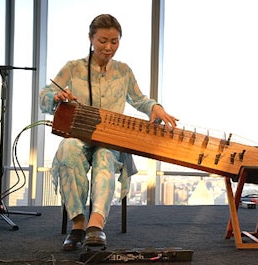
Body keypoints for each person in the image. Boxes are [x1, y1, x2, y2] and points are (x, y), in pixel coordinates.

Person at [39, 14, 177, 251]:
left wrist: (155, 107)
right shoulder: (73, 68)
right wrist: (56, 96)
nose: (108, 47)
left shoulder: (124, 71)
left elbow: (140, 99)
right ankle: (78, 224)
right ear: (91, 38)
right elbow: (44, 98)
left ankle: (96, 225)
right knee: (68, 148)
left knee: (104, 155)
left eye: (114, 41)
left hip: (111, 141)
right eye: (103, 40)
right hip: (79, 136)